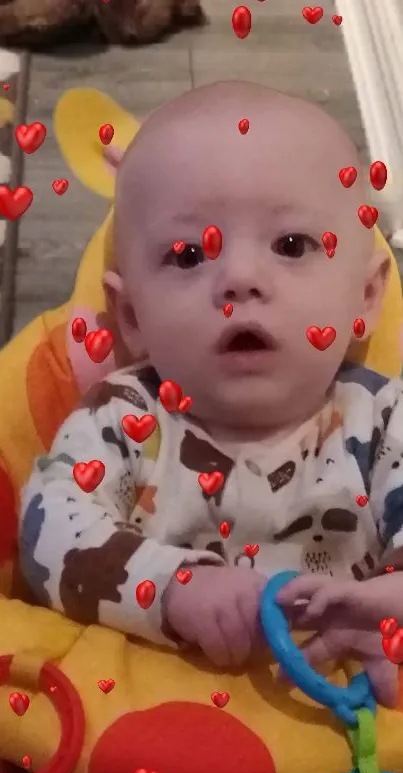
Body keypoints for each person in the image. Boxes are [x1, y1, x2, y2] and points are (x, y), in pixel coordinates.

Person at [19, 80, 403, 712]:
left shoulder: (384, 421)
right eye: (189, 253)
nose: (240, 279)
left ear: (365, 298)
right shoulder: (123, 418)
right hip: (161, 750)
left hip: (347, 752)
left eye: (290, 245)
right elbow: (45, 527)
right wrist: (171, 589)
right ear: (132, 315)